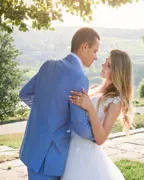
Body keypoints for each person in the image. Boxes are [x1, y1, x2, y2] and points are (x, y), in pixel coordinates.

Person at [19, 27, 100, 180]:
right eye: (95, 51)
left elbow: (24, 94)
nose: (96, 57)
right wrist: (97, 136)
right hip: (50, 156)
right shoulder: (79, 77)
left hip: (32, 150)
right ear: (84, 47)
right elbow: (80, 126)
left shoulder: (48, 65)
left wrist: (48, 111)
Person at [61, 49, 134, 180]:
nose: (102, 65)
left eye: (108, 65)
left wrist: (90, 108)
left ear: (117, 72)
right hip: (70, 146)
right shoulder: (94, 88)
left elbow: (101, 139)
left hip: (86, 155)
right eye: (106, 61)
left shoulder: (115, 101)